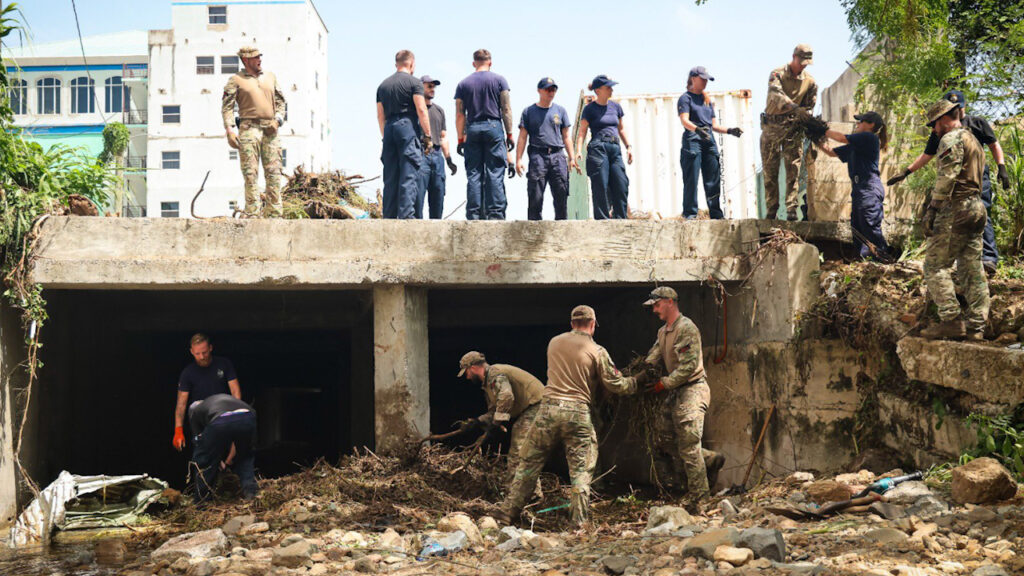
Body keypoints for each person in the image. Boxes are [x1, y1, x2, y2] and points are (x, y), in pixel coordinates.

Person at [497, 306, 638, 526]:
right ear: (593, 324)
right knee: (580, 470)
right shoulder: (596, 350)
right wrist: (636, 382)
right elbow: (615, 383)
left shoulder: (554, 342)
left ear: (572, 324)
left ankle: (507, 512)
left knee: (528, 464)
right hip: (577, 412)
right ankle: (578, 522)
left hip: (548, 410)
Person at [887, 90, 1010, 276]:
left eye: (959, 107)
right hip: (952, 182)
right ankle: (966, 262)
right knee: (957, 221)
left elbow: (994, 144)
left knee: (982, 212)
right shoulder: (941, 131)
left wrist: (1002, 167)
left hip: (976, 177)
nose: (957, 110)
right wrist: (907, 171)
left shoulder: (977, 123)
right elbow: (927, 155)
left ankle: (988, 258)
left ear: (963, 107)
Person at [641, 287, 722, 505]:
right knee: (664, 439)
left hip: (692, 389)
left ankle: (700, 496)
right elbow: (653, 357)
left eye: (657, 305)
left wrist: (663, 384)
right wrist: (639, 375)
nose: (655, 310)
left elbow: (689, 367)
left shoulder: (686, 328)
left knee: (688, 443)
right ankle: (709, 458)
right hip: (675, 390)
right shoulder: (663, 331)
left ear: (669, 302)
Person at [919, 99, 990, 341]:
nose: (933, 130)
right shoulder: (973, 140)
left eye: (933, 125)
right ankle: (977, 326)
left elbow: (947, 177)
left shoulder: (951, 139)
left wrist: (932, 209)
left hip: (956, 209)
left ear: (941, 120)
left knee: (934, 266)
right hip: (977, 207)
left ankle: (950, 320)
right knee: (972, 268)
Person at [457, 351, 545, 488]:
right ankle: (524, 493)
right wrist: (478, 422)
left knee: (519, 451)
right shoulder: (489, 382)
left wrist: (497, 423)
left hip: (538, 405)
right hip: (533, 407)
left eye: (466, 372)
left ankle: (521, 494)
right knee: (522, 451)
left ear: (473, 368)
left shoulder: (494, 374)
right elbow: (495, 410)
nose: (467, 377)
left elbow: (506, 396)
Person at [813, 112, 892, 260]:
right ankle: (864, 261)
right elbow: (831, 153)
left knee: (869, 225)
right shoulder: (856, 145)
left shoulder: (869, 137)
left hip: (868, 187)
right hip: (859, 188)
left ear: (870, 124)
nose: (857, 124)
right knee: (857, 228)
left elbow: (841, 138)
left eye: (860, 122)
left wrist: (820, 129)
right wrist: (815, 138)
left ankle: (883, 259)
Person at [222, 45, 286, 218]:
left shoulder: (270, 77)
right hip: (249, 129)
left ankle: (274, 214)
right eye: (256, 57)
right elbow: (227, 108)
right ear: (246, 60)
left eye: (260, 56)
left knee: (274, 173)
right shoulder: (236, 80)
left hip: (270, 129)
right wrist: (230, 131)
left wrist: (278, 121)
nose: (260, 60)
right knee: (250, 174)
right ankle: (252, 213)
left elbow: (281, 103)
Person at [454, 49, 515, 220]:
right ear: (490, 62)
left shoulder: (463, 84)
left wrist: (460, 138)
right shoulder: (499, 80)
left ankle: (473, 214)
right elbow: (506, 108)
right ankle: (495, 214)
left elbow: (460, 114)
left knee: (474, 173)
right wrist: (509, 134)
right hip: (493, 126)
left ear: (474, 63)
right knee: (494, 171)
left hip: (472, 128)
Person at [678, 67, 743, 220]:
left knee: (713, 177)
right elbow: (684, 120)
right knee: (691, 178)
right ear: (693, 78)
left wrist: (729, 130)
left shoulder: (708, 101)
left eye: (707, 79)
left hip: (709, 139)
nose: (705, 82)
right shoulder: (685, 98)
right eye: (702, 79)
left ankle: (716, 213)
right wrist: (697, 130)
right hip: (693, 139)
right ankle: (690, 214)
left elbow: (713, 125)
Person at [761, 44, 818, 221]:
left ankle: (792, 209)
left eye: (806, 63)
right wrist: (795, 107)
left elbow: (809, 107)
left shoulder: (810, 82)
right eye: (801, 61)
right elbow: (775, 94)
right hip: (772, 127)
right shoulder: (777, 74)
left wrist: (805, 118)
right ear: (793, 57)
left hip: (793, 129)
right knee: (770, 171)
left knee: (793, 169)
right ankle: (772, 210)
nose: (803, 65)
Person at [376, 50, 433, 219]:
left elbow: (380, 116)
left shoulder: (383, 85)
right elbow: (422, 110)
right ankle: (406, 216)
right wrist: (428, 137)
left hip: (389, 129)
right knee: (408, 172)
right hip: (407, 126)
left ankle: (389, 216)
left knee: (390, 175)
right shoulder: (414, 83)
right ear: (412, 64)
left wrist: (385, 135)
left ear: (396, 64)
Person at [514, 77, 577, 220]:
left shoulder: (560, 110)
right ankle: (534, 232)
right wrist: (518, 159)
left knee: (561, 195)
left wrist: (572, 158)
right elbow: (522, 137)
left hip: (558, 156)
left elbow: (566, 136)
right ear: (539, 90)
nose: (551, 92)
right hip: (538, 157)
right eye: (548, 89)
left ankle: (561, 230)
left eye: (554, 89)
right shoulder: (529, 111)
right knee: (535, 197)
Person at [575, 75, 633, 220]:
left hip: (615, 147)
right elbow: (582, 131)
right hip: (598, 148)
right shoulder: (589, 109)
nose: (611, 89)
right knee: (600, 183)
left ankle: (620, 218)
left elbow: (621, 129)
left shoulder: (616, 107)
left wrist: (628, 146)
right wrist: (578, 151)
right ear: (598, 90)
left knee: (621, 183)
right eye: (608, 87)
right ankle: (602, 219)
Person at [173, 334, 242, 452]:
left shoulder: (224, 364)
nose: (202, 357)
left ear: (210, 348)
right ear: (191, 352)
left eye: (204, 352)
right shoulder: (188, 373)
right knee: (204, 450)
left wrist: (237, 414)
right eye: (197, 354)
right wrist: (178, 430)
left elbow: (235, 391)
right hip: (201, 417)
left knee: (232, 446)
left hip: (223, 412)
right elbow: (181, 404)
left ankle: (227, 465)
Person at [188, 393, 258, 502]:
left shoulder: (195, 413)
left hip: (221, 420)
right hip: (248, 416)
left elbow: (200, 443)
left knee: (202, 460)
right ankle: (251, 493)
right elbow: (232, 433)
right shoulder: (213, 402)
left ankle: (202, 501)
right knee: (245, 456)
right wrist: (225, 460)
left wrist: (214, 460)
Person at [417, 76, 458, 219]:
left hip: (437, 156)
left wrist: (449, 159)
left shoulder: (439, 110)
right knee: (418, 196)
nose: (432, 89)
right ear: (420, 86)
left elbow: (443, 136)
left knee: (438, 196)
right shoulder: (415, 109)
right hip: (420, 154)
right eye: (429, 86)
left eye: (433, 86)